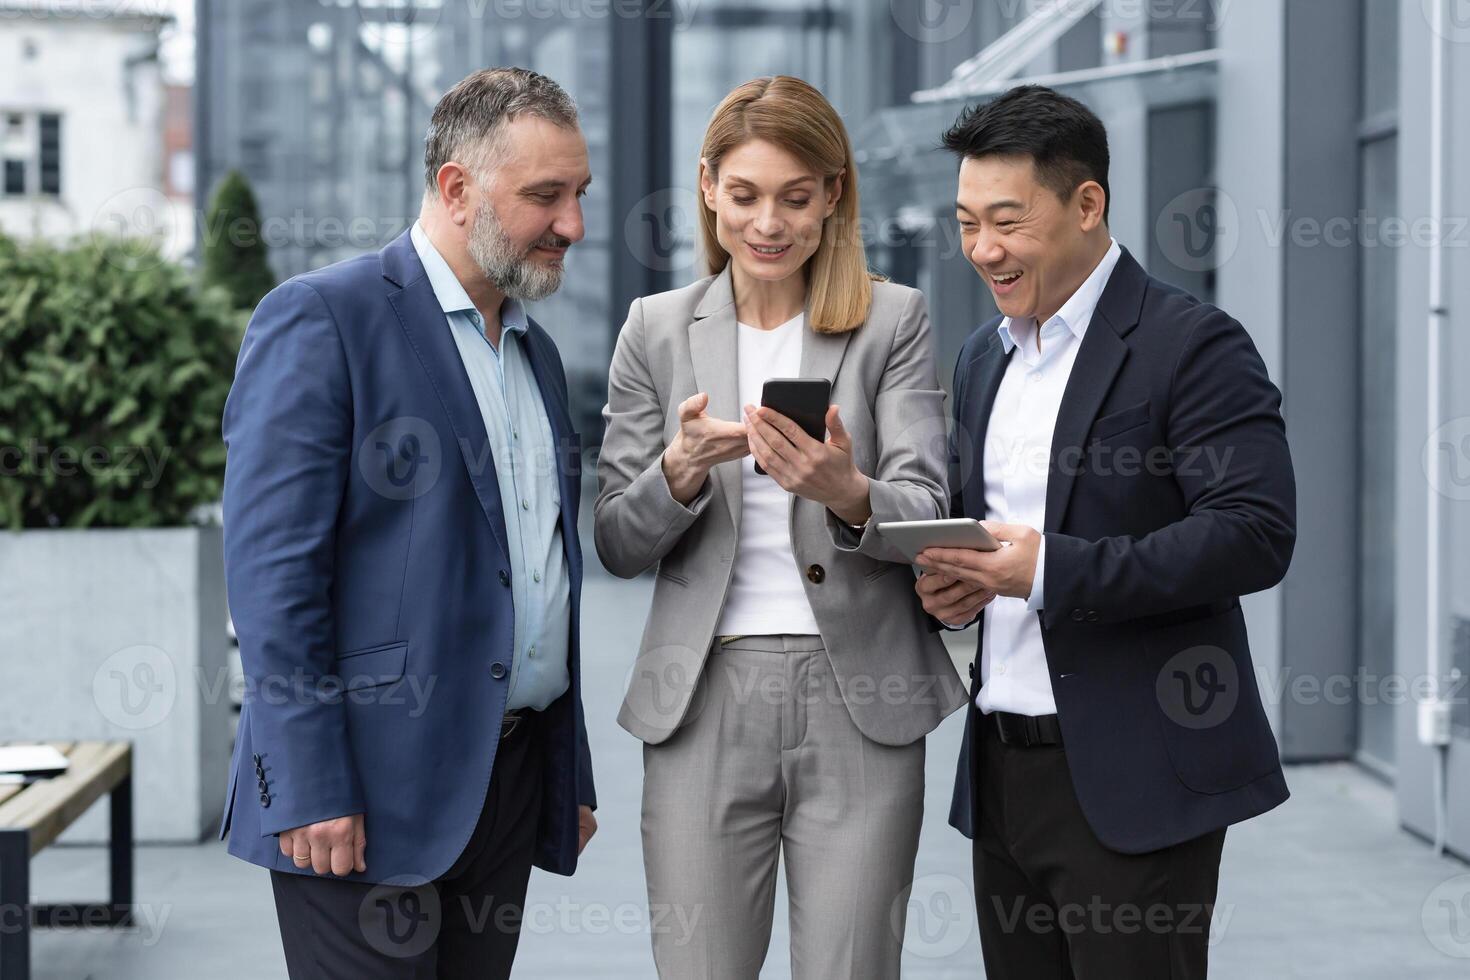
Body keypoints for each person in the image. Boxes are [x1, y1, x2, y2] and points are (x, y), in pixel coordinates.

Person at [219, 67, 598, 978]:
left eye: (580, 195)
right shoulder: (321, 318)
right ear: (457, 188)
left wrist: (565, 773)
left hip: (503, 787)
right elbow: (274, 580)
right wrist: (307, 783)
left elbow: (541, 569)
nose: (574, 226)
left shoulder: (536, 353)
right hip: (359, 796)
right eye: (545, 196)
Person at [914, 84, 1295, 979]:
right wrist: (954, 587)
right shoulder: (981, 358)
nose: (984, 250)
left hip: (1139, 775)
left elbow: (1253, 533)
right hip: (1004, 777)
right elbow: (988, 538)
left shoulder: (1193, 345)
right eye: (966, 222)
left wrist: (1049, 570)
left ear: (1089, 204)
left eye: (1007, 220)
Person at [595, 75, 965, 978]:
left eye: (797, 199)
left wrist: (848, 492)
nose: (769, 223)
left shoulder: (893, 321)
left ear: (833, 195)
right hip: (702, 698)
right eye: (747, 195)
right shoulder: (656, 328)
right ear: (709, 186)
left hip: (861, 701)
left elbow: (925, 504)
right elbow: (613, 537)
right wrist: (677, 475)